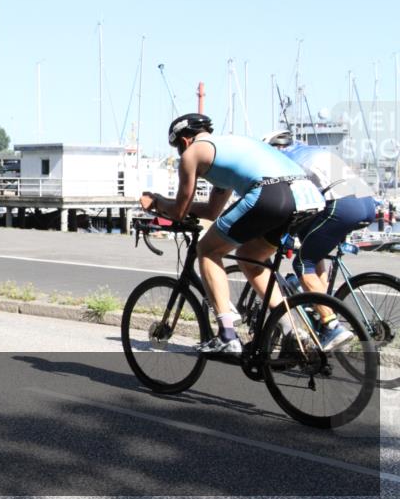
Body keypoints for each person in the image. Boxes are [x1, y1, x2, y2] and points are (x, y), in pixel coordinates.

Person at [140, 113, 325, 355]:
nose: (179, 153)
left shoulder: (192, 154)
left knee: (207, 250)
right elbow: (212, 211)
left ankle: (227, 335)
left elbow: (179, 210)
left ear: (183, 141)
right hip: (307, 196)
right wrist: (174, 207)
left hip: (271, 194)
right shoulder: (229, 148)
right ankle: (291, 331)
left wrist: (157, 202)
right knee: (251, 257)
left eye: (176, 147)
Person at [262, 129, 378, 349]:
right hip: (366, 201)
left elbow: (283, 204)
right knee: (312, 250)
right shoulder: (309, 150)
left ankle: (331, 325)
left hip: (342, 203)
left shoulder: (281, 161)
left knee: (301, 263)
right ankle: (319, 299)